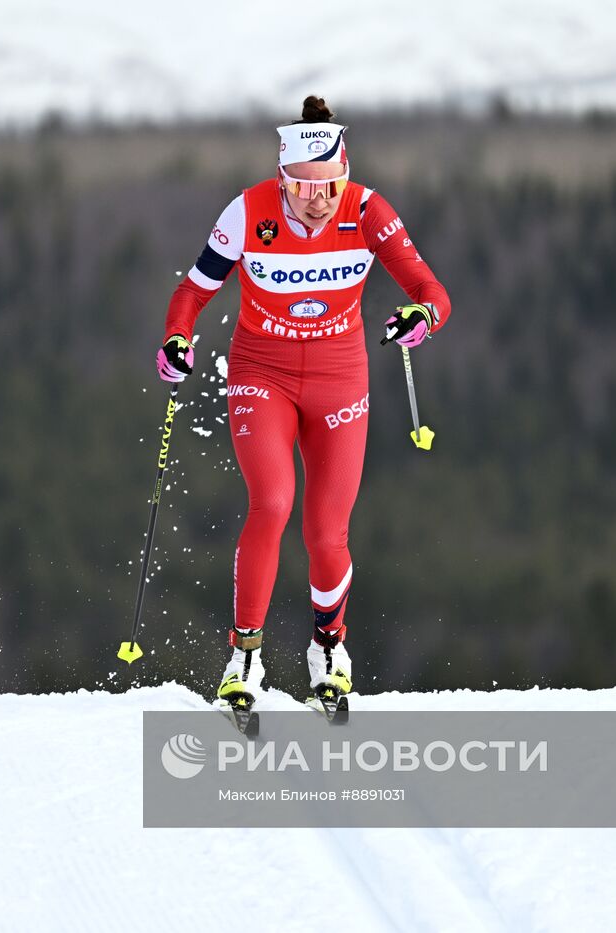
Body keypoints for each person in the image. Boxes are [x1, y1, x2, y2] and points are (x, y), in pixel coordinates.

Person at [155, 95, 452, 711]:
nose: (319, 201)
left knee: (326, 532)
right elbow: (193, 290)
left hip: (339, 379)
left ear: (346, 173)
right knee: (271, 503)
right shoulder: (248, 212)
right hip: (261, 372)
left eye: (331, 185)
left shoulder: (366, 210)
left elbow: (431, 289)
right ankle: (244, 658)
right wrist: (177, 339)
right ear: (282, 177)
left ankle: (329, 649)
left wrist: (421, 317)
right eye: (304, 187)